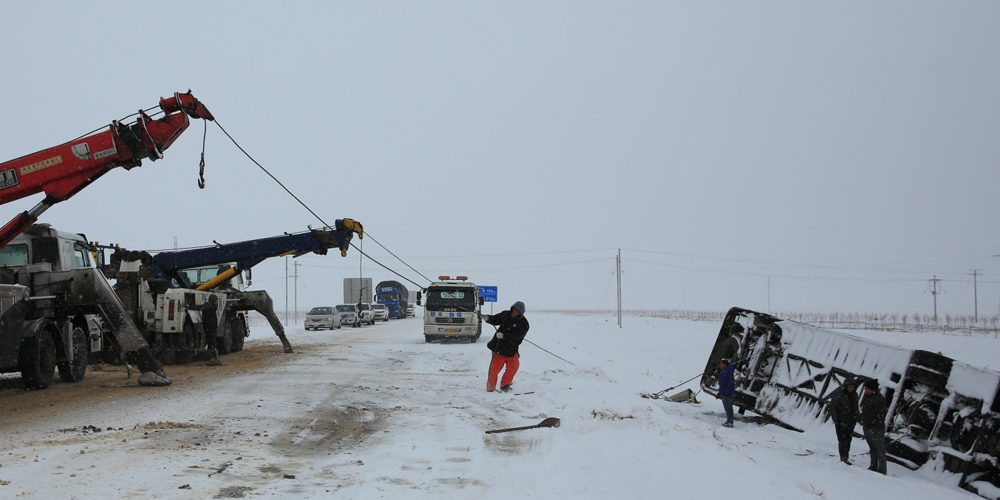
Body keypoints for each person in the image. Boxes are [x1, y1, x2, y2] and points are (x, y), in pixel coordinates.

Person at [482, 301, 529, 392]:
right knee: (494, 370)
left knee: (513, 368)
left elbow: (518, 337)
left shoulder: (524, 324)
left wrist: (504, 336)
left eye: (517, 311)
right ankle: (490, 387)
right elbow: (496, 319)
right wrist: (488, 318)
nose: (515, 312)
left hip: (512, 350)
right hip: (499, 348)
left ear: (521, 312)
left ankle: (505, 385)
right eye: (514, 309)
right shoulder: (506, 314)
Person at [828, 378, 860, 464]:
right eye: (849, 387)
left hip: (850, 421)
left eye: (852, 387)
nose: (851, 389)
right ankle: (843, 457)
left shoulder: (854, 395)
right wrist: (835, 419)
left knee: (848, 440)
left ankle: (845, 456)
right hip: (841, 421)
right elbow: (833, 407)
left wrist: (856, 417)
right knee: (842, 440)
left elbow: (856, 408)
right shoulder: (839, 394)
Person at [859, 379, 888, 474]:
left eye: (866, 388)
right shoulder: (868, 397)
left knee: (879, 449)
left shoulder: (878, 399)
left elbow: (881, 414)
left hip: (875, 428)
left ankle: (882, 469)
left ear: (871, 389)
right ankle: (873, 466)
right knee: (872, 448)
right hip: (867, 426)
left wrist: (878, 427)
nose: (865, 390)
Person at [716, 359, 735, 427]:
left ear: (724, 365)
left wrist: (719, 393)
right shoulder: (729, 371)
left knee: (728, 408)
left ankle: (730, 422)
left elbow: (722, 384)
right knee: (729, 407)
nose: (720, 366)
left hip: (726, 393)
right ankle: (730, 420)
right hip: (730, 391)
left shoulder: (724, 373)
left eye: (721, 364)